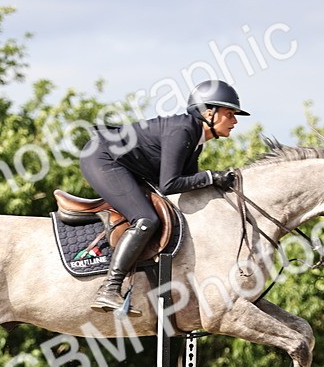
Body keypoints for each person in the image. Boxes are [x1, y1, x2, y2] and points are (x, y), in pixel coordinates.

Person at [80, 79, 249, 316]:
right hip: (103, 158)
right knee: (146, 219)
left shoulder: (195, 141)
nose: (235, 121)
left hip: (123, 164)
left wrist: (217, 185)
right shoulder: (183, 130)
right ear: (209, 113)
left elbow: (186, 185)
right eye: (229, 114)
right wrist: (212, 176)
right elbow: (169, 185)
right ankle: (109, 289)